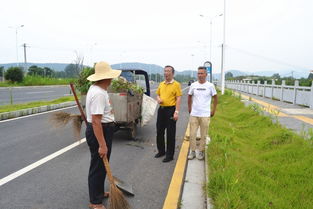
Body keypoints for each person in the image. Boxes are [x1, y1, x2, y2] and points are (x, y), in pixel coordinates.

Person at [85, 61, 121, 209]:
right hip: (100, 132)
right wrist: (102, 144)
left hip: (103, 130)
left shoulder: (98, 89)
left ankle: (98, 193)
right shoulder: (99, 93)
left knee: (101, 166)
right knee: (97, 166)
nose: (112, 79)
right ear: (106, 78)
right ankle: (95, 202)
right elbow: (96, 121)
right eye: (110, 76)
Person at [187, 66, 218, 160]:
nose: (200, 75)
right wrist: (190, 108)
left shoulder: (210, 86)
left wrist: (213, 110)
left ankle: (201, 151)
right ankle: (192, 151)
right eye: (198, 73)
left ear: (206, 75)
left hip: (205, 114)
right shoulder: (193, 85)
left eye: (202, 73)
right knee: (192, 134)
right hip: (194, 114)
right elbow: (189, 96)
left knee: (203, 135)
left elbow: (215, 98)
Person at [155, 65, 182, 163]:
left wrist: (176, 112)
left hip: (171, 110)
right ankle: (161, 151)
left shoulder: (176, 84)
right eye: (165, 71)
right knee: (159, 131)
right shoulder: (161, 84)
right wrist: (158, 99)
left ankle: (169, 155)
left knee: (170, 133)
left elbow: (178, 98)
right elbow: (158, 94)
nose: (166, 73)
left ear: (172, 73)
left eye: (168, 71)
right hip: (161, 110)